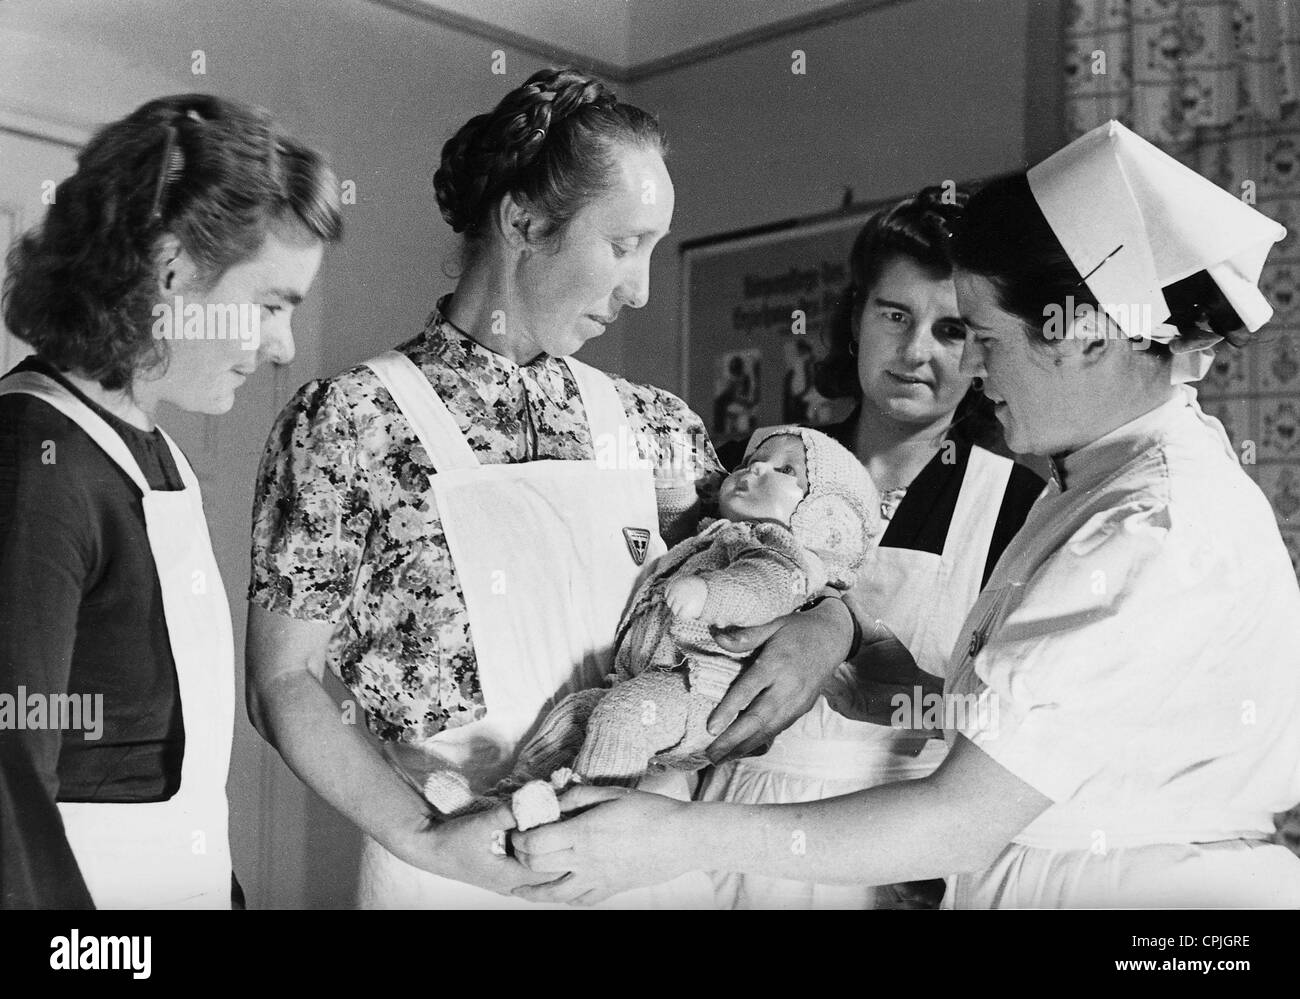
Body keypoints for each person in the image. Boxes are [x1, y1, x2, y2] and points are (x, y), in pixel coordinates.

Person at [511, 121, 1300, 908]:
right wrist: (859, 647)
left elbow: (960, 818)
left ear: (1085, 338)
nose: (971, 367)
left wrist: (673, 837)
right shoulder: (1092, 485)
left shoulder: (1150, 529)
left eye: (981, 336)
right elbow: (1042, 732)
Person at [244, 67, 857, 909]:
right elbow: (283, 681)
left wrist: (831, 622)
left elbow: (786, 562)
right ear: (524, 220)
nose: (640, 289)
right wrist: (423, 835)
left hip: (648, 866)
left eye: (653, 248)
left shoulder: (656, 428)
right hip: (456, 870)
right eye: (623, 244)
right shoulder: (354, 422)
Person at [0, 94, 341, 909]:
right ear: (171, 270)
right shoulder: (34, 463)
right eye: (270, 306)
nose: (282, 348)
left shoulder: (153, 454)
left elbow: (173, 785)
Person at [697, 186, 1043, 909]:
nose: (916, 350)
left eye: (951, 329)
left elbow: (1021, 741)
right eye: (895, 314)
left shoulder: (1018, 509)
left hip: (891, 855)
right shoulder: (749, 465)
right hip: (718, 833)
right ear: (854, 320)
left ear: (984, 350)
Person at [422, 426, 878, 834]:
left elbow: (769, 587)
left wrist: (710, 594)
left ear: (819, 516)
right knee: (574, 719)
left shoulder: (780, 550)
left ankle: (578, 825)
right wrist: (671, 492)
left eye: (784, 470)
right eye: (749, 462)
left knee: (621, 718)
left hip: (702, 696)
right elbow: (674, 530)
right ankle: (505, 805)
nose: (756, 467)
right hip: (654, 681)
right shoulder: (713, 535)